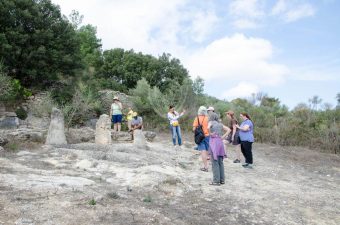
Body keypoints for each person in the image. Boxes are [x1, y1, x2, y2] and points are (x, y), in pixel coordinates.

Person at [208, 112, 230, 185]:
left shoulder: (210, 123)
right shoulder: (220, 124)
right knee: (220, 161)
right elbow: (229, 130)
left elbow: (208, 129)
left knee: (215, 162)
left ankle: (216, 181)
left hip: (214, 143)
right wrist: (223, 137)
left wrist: (210, 133)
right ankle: (222, 180)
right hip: (220, 142)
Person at [193, 106, 210, 172]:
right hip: (208, 136)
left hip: (200, 137)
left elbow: (194, 129)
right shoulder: (208, 118)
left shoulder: (197, 118)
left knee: (203, 151)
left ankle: (205, 167)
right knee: (207, 150)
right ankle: (208, 164)